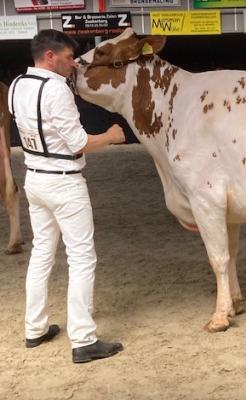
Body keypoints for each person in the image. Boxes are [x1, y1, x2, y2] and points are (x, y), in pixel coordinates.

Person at [8, 29, 125, 363]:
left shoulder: (17, 85)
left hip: (35, 178)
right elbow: (79, 143)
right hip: (64, 182)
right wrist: (111, 136)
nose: (73, 64)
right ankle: (84, 339)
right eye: (68, 57)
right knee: (82, 257)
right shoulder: (57, 91)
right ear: (50, 56)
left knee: (42, 253)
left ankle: (35, 329)